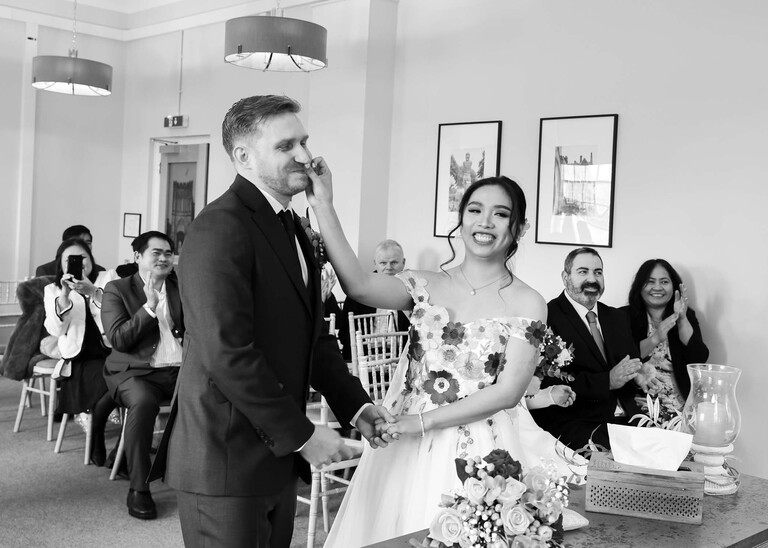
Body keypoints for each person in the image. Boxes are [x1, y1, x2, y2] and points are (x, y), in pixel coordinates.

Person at [160, 95, 394, 548]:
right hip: (224, 456)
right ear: (243, 156)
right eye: (286, 146)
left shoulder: (291, 225)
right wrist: (303, 435)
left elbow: (312, 336)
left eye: (304, 141)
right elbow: (226, 353)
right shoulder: (220, 226)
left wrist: (357, 406)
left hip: (273, 455)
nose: (305, 156)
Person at [306, 172, 587, 547]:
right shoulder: (422, 284)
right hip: (402, 444)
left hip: (479, 450)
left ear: (520, 228)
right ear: (462, 218)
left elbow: (508, 393)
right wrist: (322, 203)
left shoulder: (529, 302)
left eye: (501, 214)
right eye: (475, 210)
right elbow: (357, 284)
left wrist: (421, 423)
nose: (485, 222)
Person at [530, 248, 661, 451]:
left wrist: (638, 376)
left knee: (666, 451)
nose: (592, 279)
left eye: (598, 272)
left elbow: (628, 365)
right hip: (575, 422)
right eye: (583, 272)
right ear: (565, 277)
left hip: (628, 419)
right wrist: (607, 381)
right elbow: (546, 383)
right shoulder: (546, 318)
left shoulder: (617, 318)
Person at [100, 231, 183, 520]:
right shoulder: (117, 289)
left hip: (180, 371)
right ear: (137, 256)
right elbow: (119, 339)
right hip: (134, 373)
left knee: (216, 392)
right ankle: (139, 488)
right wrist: (149, 307)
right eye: (156, 253)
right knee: (143, 402)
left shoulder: (181, 286)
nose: (164, 258)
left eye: (168, 253)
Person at [42, 238, 118, 466]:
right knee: (107, 378)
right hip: (79, 358)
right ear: (61, 264)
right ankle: (98, 434)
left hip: (112, 350)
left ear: (91, 259)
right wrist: (65, 297)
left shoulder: (107, 278)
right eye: (70, 259)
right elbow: (55, 330)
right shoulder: (53, 290)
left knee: (123, 376)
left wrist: (94, 292)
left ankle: (96, 429)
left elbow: (120, 313)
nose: (79, 262)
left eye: (82, 257)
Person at [621, 259, 709, 417]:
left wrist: (682, 319)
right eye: (650, 282)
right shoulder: (622, 316)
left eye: (664, 282)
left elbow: (699, 358)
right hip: (637, 408)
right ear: (639, 286)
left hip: (679, 407)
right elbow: (622, 359)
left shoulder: (687, 315)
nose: (657, 287)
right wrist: (655, 338)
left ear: (674, 286)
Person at [336, 239, 411, 359]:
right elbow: (345, 333)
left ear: (403, 263)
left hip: (400, 356)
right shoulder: (359, 290)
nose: (388, 267)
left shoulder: (412, 290)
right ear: (375, 263)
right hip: (364, 355)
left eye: (394, 262)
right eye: (383, 263)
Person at [36, 225, 105, 277]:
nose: (84, 246)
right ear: (64, 245)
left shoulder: (100, 271)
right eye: (78, 243)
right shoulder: (46, 270)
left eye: (88, 243)